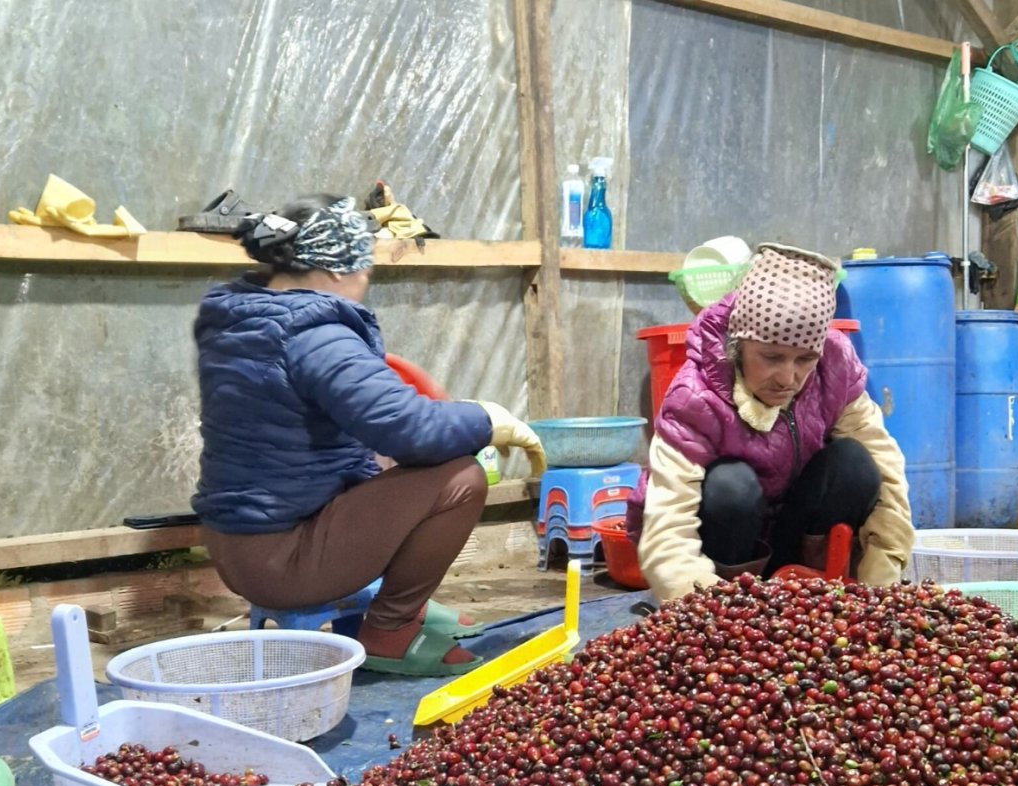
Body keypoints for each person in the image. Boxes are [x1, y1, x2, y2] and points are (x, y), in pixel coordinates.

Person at [192, 194, 546, 676]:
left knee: (384, 466)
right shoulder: (315, 335)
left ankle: (407, 606)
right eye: (365, 267)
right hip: (282, 561)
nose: (366, 279)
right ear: (340, 269)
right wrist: (488, 420)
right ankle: (390, 631)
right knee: (460, 478)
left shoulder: (244, 320)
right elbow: (411, 430)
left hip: (239, 543)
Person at [627, 243, 914, 601]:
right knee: (731, 484)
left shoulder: (834, 367)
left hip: (793, 531)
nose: (787, 377)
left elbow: (887, 470)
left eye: (804, 359)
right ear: (738, 343)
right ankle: (731, 598)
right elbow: (667, 523)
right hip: (729, 542)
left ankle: (821, 585)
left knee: (855, 464)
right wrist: (702, 613)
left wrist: (882, 582)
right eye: (771, 357)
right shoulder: (696, 395)